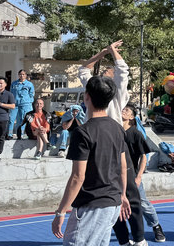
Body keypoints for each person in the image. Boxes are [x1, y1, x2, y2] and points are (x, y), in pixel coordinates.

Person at [51, 75, 131, 246]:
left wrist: (61, 211)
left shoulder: (83, 132)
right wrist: (123, 195)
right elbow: (123, 167)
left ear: (86, 96)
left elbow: (77, 177)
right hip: (113, 202)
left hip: (92, 204)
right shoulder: (117, 128)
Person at [118, 103, 166, 243]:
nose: (123, 111)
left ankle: (156, 226)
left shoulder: (136, 133)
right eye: (122, 109)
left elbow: (144, 157)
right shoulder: (116, 132)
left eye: (127, 110)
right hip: (117, 176)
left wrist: (139, 176)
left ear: (132, 117)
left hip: (132, 176)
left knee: (142, 204)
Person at [78, 40, 129, 125]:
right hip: (100, 129)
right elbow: (83, 70)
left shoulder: (118, 92)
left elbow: (122, 70)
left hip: (103, 130)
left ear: (114, 77)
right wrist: (102, 53)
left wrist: (112, 50)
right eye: (104, 70)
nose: (104, 71)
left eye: (107, 71)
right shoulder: (94, 86)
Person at [8, 69, 35, 140]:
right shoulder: (14, 83)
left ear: (26, 75)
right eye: (20, 74)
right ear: (18, 75)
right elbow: (11, 93)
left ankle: (20, 134)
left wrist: (28, 102)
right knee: (11, 118)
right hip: (15, 104)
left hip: (25, 104)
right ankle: (9, 134)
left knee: (23, 120)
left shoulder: (29, 84)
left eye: (23, 74)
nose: (22, 76)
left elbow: (31, 94)